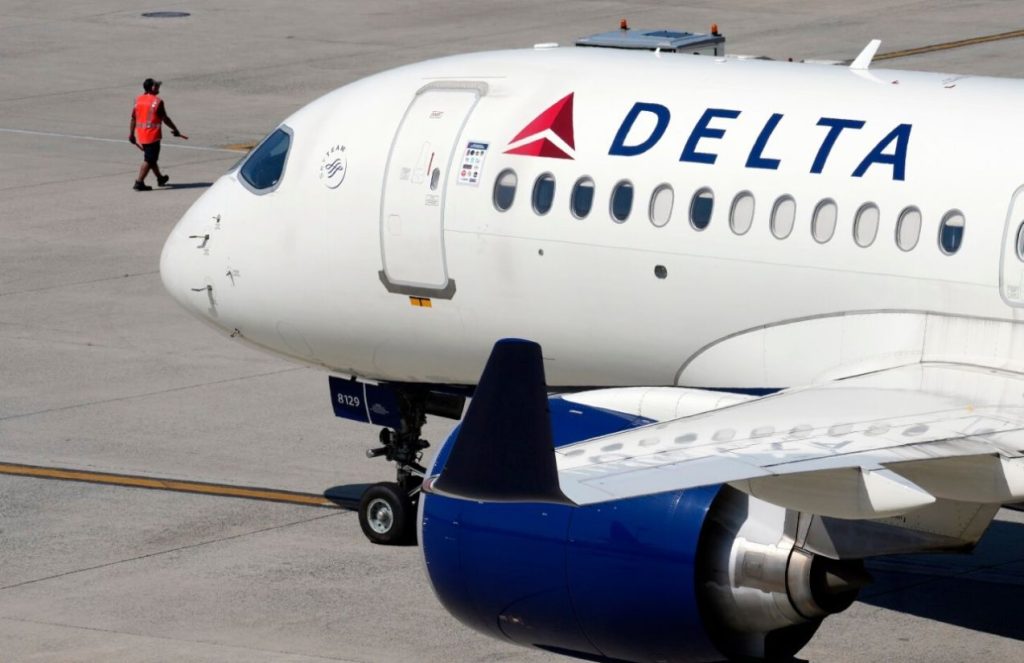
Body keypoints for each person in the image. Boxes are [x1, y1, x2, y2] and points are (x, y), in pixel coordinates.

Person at [129, 78, 188, 191]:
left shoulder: (138, 100)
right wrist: (175, 130)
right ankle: (139, 182)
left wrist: (131, 134)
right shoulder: (157, 102)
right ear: (152, 88)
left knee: (152, 158)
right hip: (152, 136)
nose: (158, 88)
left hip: (141, 135)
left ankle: (160, 178)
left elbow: (133, 118)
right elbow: (165, 119)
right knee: (149, 160)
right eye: (156, 86)